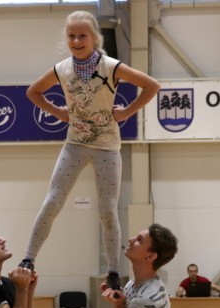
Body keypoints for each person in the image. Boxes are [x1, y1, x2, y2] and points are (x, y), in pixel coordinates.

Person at [18, 10, 161, 292]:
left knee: (107, 210)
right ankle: (28, 258)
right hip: (75, 144)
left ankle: (113, 271)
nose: (76, 41)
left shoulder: (111, 67)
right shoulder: (62, 69)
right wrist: (58, 112)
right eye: (71, 36)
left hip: (107, 147)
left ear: (94, 37)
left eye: (82, 35)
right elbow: (33, 92)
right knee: (52, 201)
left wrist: (127, 112)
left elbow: (151, 85)